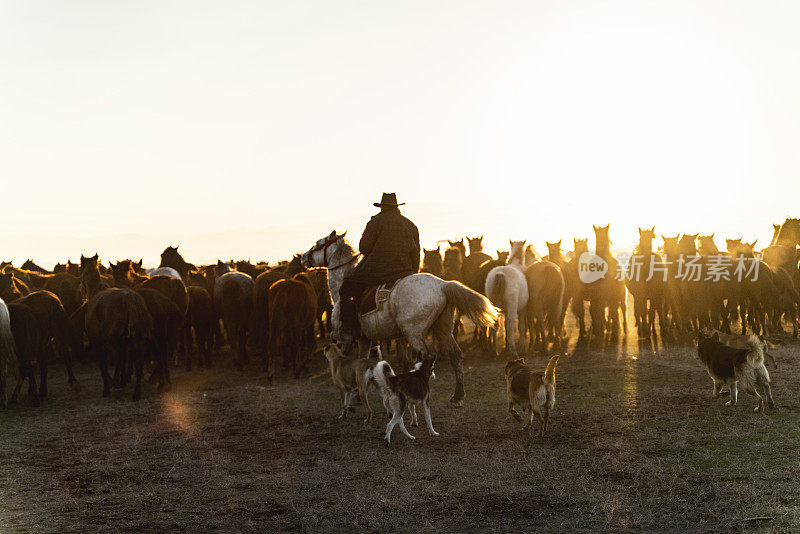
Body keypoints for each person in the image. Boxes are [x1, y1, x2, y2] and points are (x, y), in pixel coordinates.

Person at [338, 193, 420, 342]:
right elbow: (416, 254)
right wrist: (413, 273)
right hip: (405, 272)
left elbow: (364, 248)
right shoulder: (411, 225)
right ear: (396, 207)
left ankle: (348, 329)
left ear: (382, 207)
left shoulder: (375, 222)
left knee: (347, 288)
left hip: (377, 271)